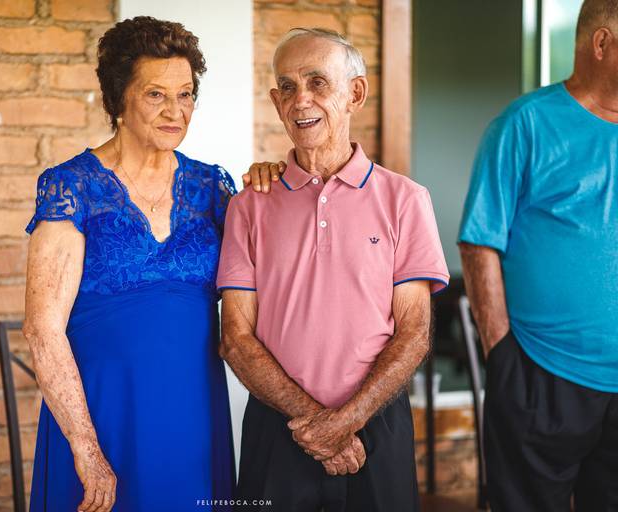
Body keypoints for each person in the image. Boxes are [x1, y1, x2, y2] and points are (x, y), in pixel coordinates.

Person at [22, 16, 279, 512]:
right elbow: (42, 329)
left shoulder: (213, 188)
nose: (175, 111)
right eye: (156, 94)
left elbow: (271, 276)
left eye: (185, 95)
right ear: (118, 98)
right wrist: (85, 447)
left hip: (192, 414)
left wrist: (273, 185)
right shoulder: (72, 186)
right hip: (101, 416)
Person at [217, 28, 449, 512]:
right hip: (278, 427)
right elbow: (235, 338)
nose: (300, 99)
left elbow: (414, 333)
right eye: (287, 86)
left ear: (355, 94)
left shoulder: (406, 199)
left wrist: (344, 422)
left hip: (377, 425)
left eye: (318, 82)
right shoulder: (248, 205)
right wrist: (318, 425)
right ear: (276, 102)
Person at [458, 1, 618, 510]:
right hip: (540, 373)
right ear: (602, 43)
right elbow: (479, 241)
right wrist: (502, 354)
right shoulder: (525, 124)